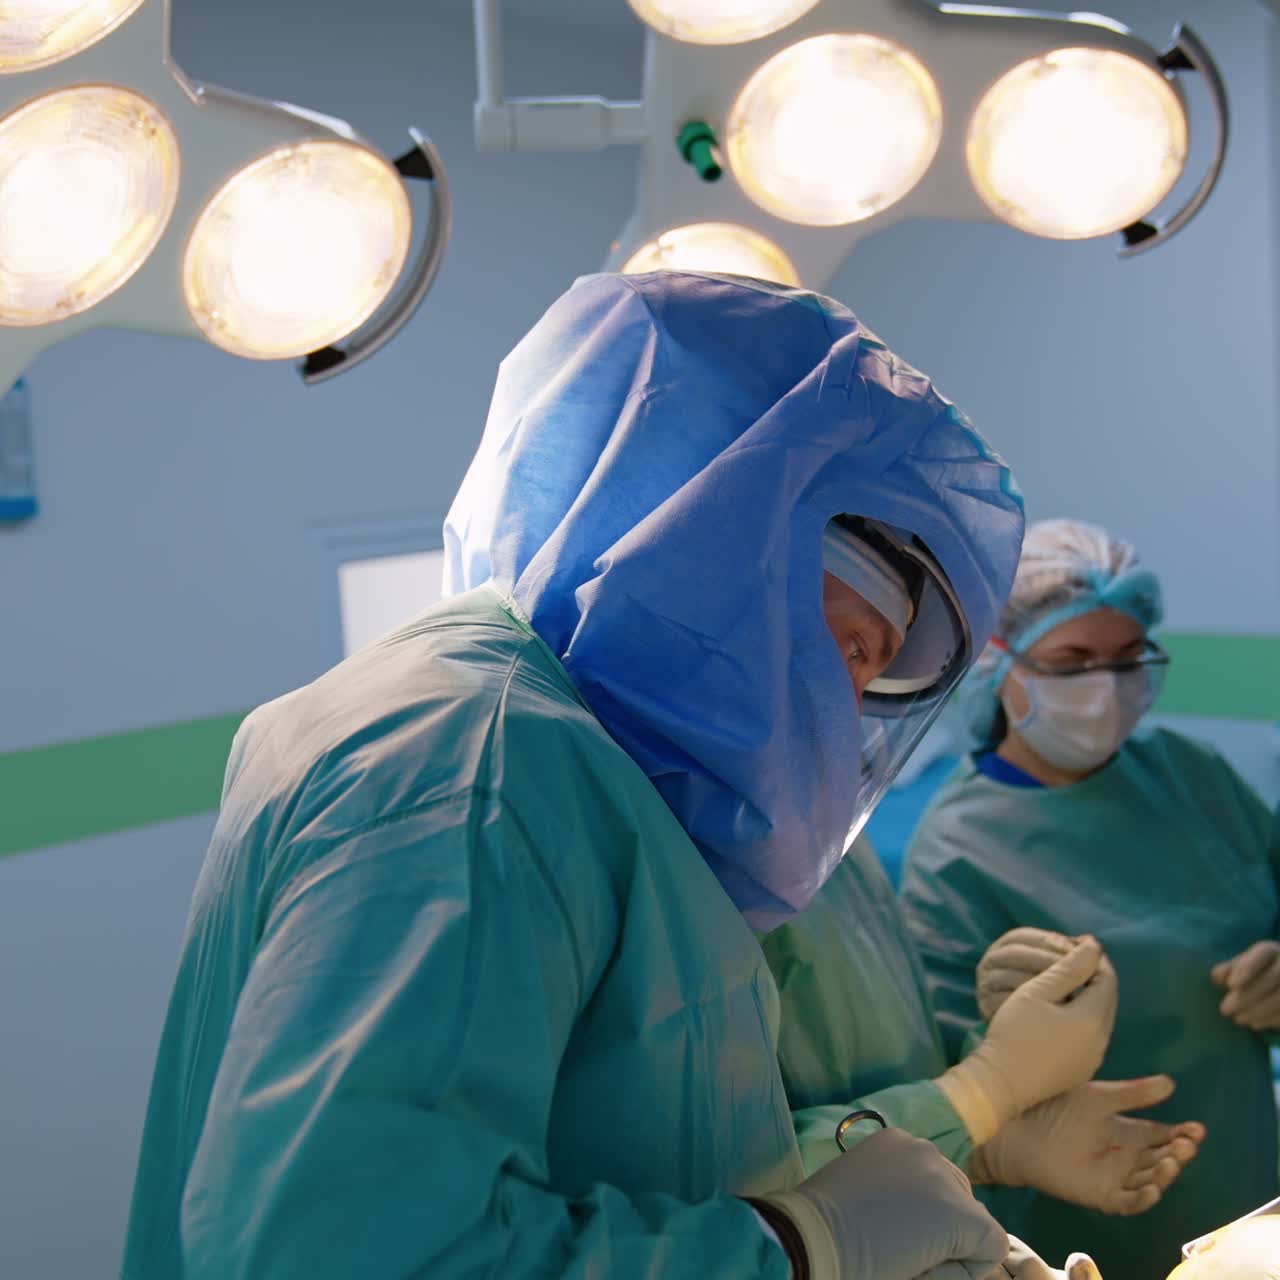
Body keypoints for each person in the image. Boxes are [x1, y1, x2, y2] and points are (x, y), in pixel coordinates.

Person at [122, 270, 1030, 1279]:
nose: (840, 700)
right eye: (843, 641)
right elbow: (334, 1251)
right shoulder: (476, 765)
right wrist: (795, 1245)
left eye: (869, 669)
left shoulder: (589, 781)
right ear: (699, 544)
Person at [899, 518, 1280, 1280]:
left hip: (1242, 1193)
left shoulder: (1190, 775)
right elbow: (945, 1096)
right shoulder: (955, 853)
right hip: (1086, 1213)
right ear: (999, 664)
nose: (1106, 685)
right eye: (1074, 661)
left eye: (1129, 657)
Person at [764, 833, 1203, 1207]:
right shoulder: (711, 874)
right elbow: (733, 1211)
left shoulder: (830, 826)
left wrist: (990, 1143)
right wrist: (981, 1093)